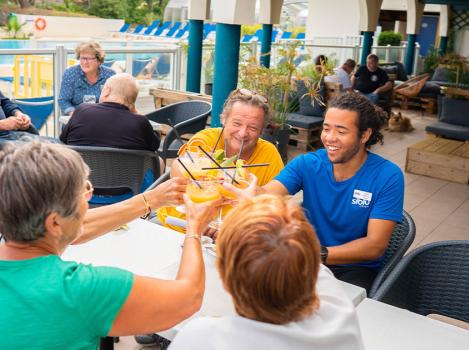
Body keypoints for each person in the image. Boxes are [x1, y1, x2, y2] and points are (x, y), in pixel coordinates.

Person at [0, 142, 219, 349]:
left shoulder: (29, 236)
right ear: (55, 222)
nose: (89, 197)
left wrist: (150, 200)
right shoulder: (82, 290)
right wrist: (194, 229)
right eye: (84, 193)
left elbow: (74, 230)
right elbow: (188, 298)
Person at [228, 93, 404, 290]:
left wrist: (317, 254)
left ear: (364, 135)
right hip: (306, 259)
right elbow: (268, 193)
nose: (330, 138)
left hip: (354, 268)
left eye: (341, 131)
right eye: (326, 128)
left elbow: (374, 246)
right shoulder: (308, 164)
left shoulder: (388, 176)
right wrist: (247, 189)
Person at [169, 195, 365, 350]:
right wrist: (255, 213)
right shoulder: (340, 314)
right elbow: (312, 265)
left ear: (226, 282)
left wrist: (193, 230)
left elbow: (183, 294)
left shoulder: (202, 338)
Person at [156, 88, 284, 229]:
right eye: (236, 123)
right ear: (224, 119)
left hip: (233, 236)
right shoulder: (207, 139)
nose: (242, 133)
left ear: (261, 131)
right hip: (179, 225)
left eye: (252, 128)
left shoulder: (269, 153)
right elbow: (178, 168)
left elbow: (276, 204)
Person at [60, 73, 159, 152]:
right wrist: (136, 113)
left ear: (107, 91)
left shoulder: (82, 111)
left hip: (83, 175)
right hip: (126, 176)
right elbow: (155, 146)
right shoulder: (140, 122)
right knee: (159, 161)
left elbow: (63, 139)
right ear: (133, 101)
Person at [59, 41, 116, 116]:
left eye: (89, 59)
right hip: (77, 118)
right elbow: (63, 101)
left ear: (99, 60)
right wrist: (74, 113)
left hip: (103, 117)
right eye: (82, 58)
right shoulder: (70, 73)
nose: (85, 62)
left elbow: (116, 100)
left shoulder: (110, 75)